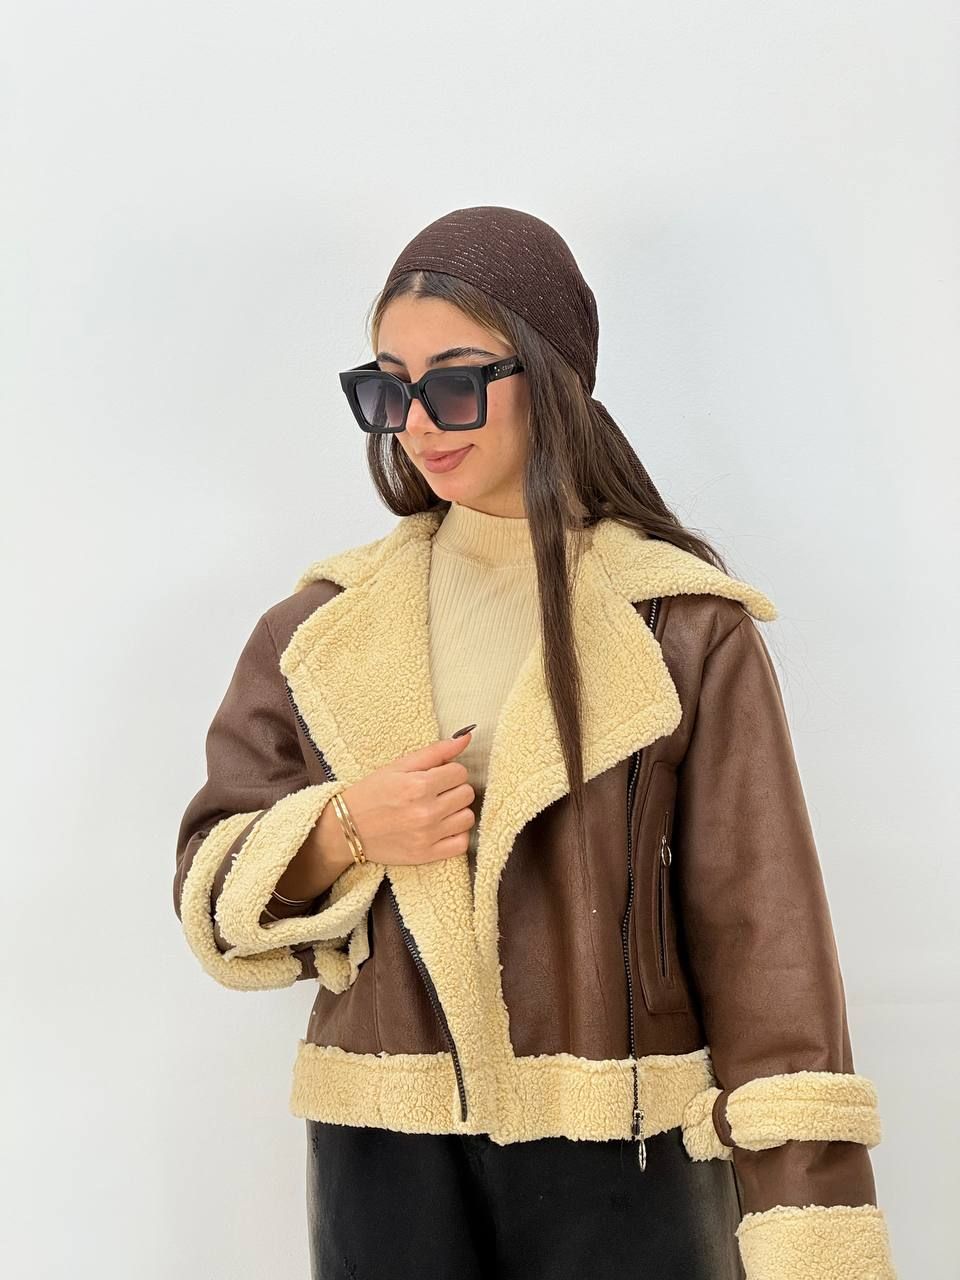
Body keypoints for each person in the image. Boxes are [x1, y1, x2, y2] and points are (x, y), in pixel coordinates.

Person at [173, 205, 897, 1279]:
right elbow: (211, 884)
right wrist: (341, 830)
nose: (421, 421)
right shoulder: (319, 630)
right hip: (382, 1152)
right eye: (390, 387)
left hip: (627, 1154)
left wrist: (810, 1227)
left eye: (457, 380)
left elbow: (765, 944)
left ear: (550, 375)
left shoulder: (681, 628)